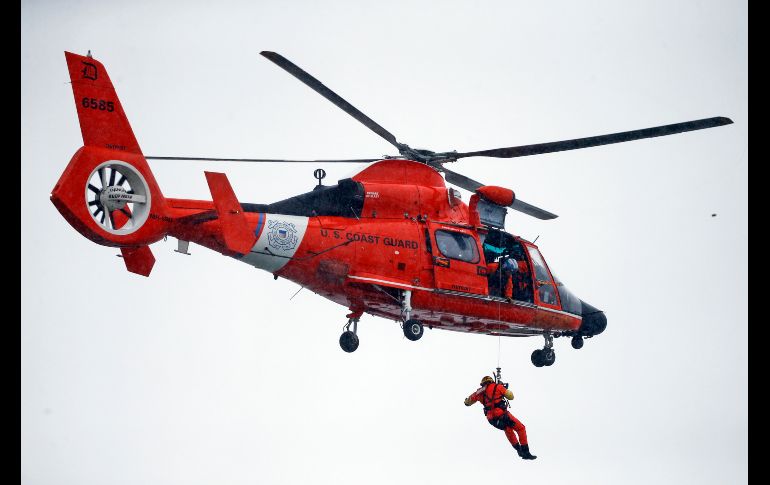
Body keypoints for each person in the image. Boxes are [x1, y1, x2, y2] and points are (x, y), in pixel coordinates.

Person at [464, 376, 537, 460]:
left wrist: (467, 401)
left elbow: (467, 402)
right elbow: (511, 397)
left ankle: (519, 450)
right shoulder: (497, 386)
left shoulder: (478, 392)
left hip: (492, 419)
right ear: (491, 381)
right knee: (521, 428)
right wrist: (503, 388)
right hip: (502, 415)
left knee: (508, 429)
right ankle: (526, 452)